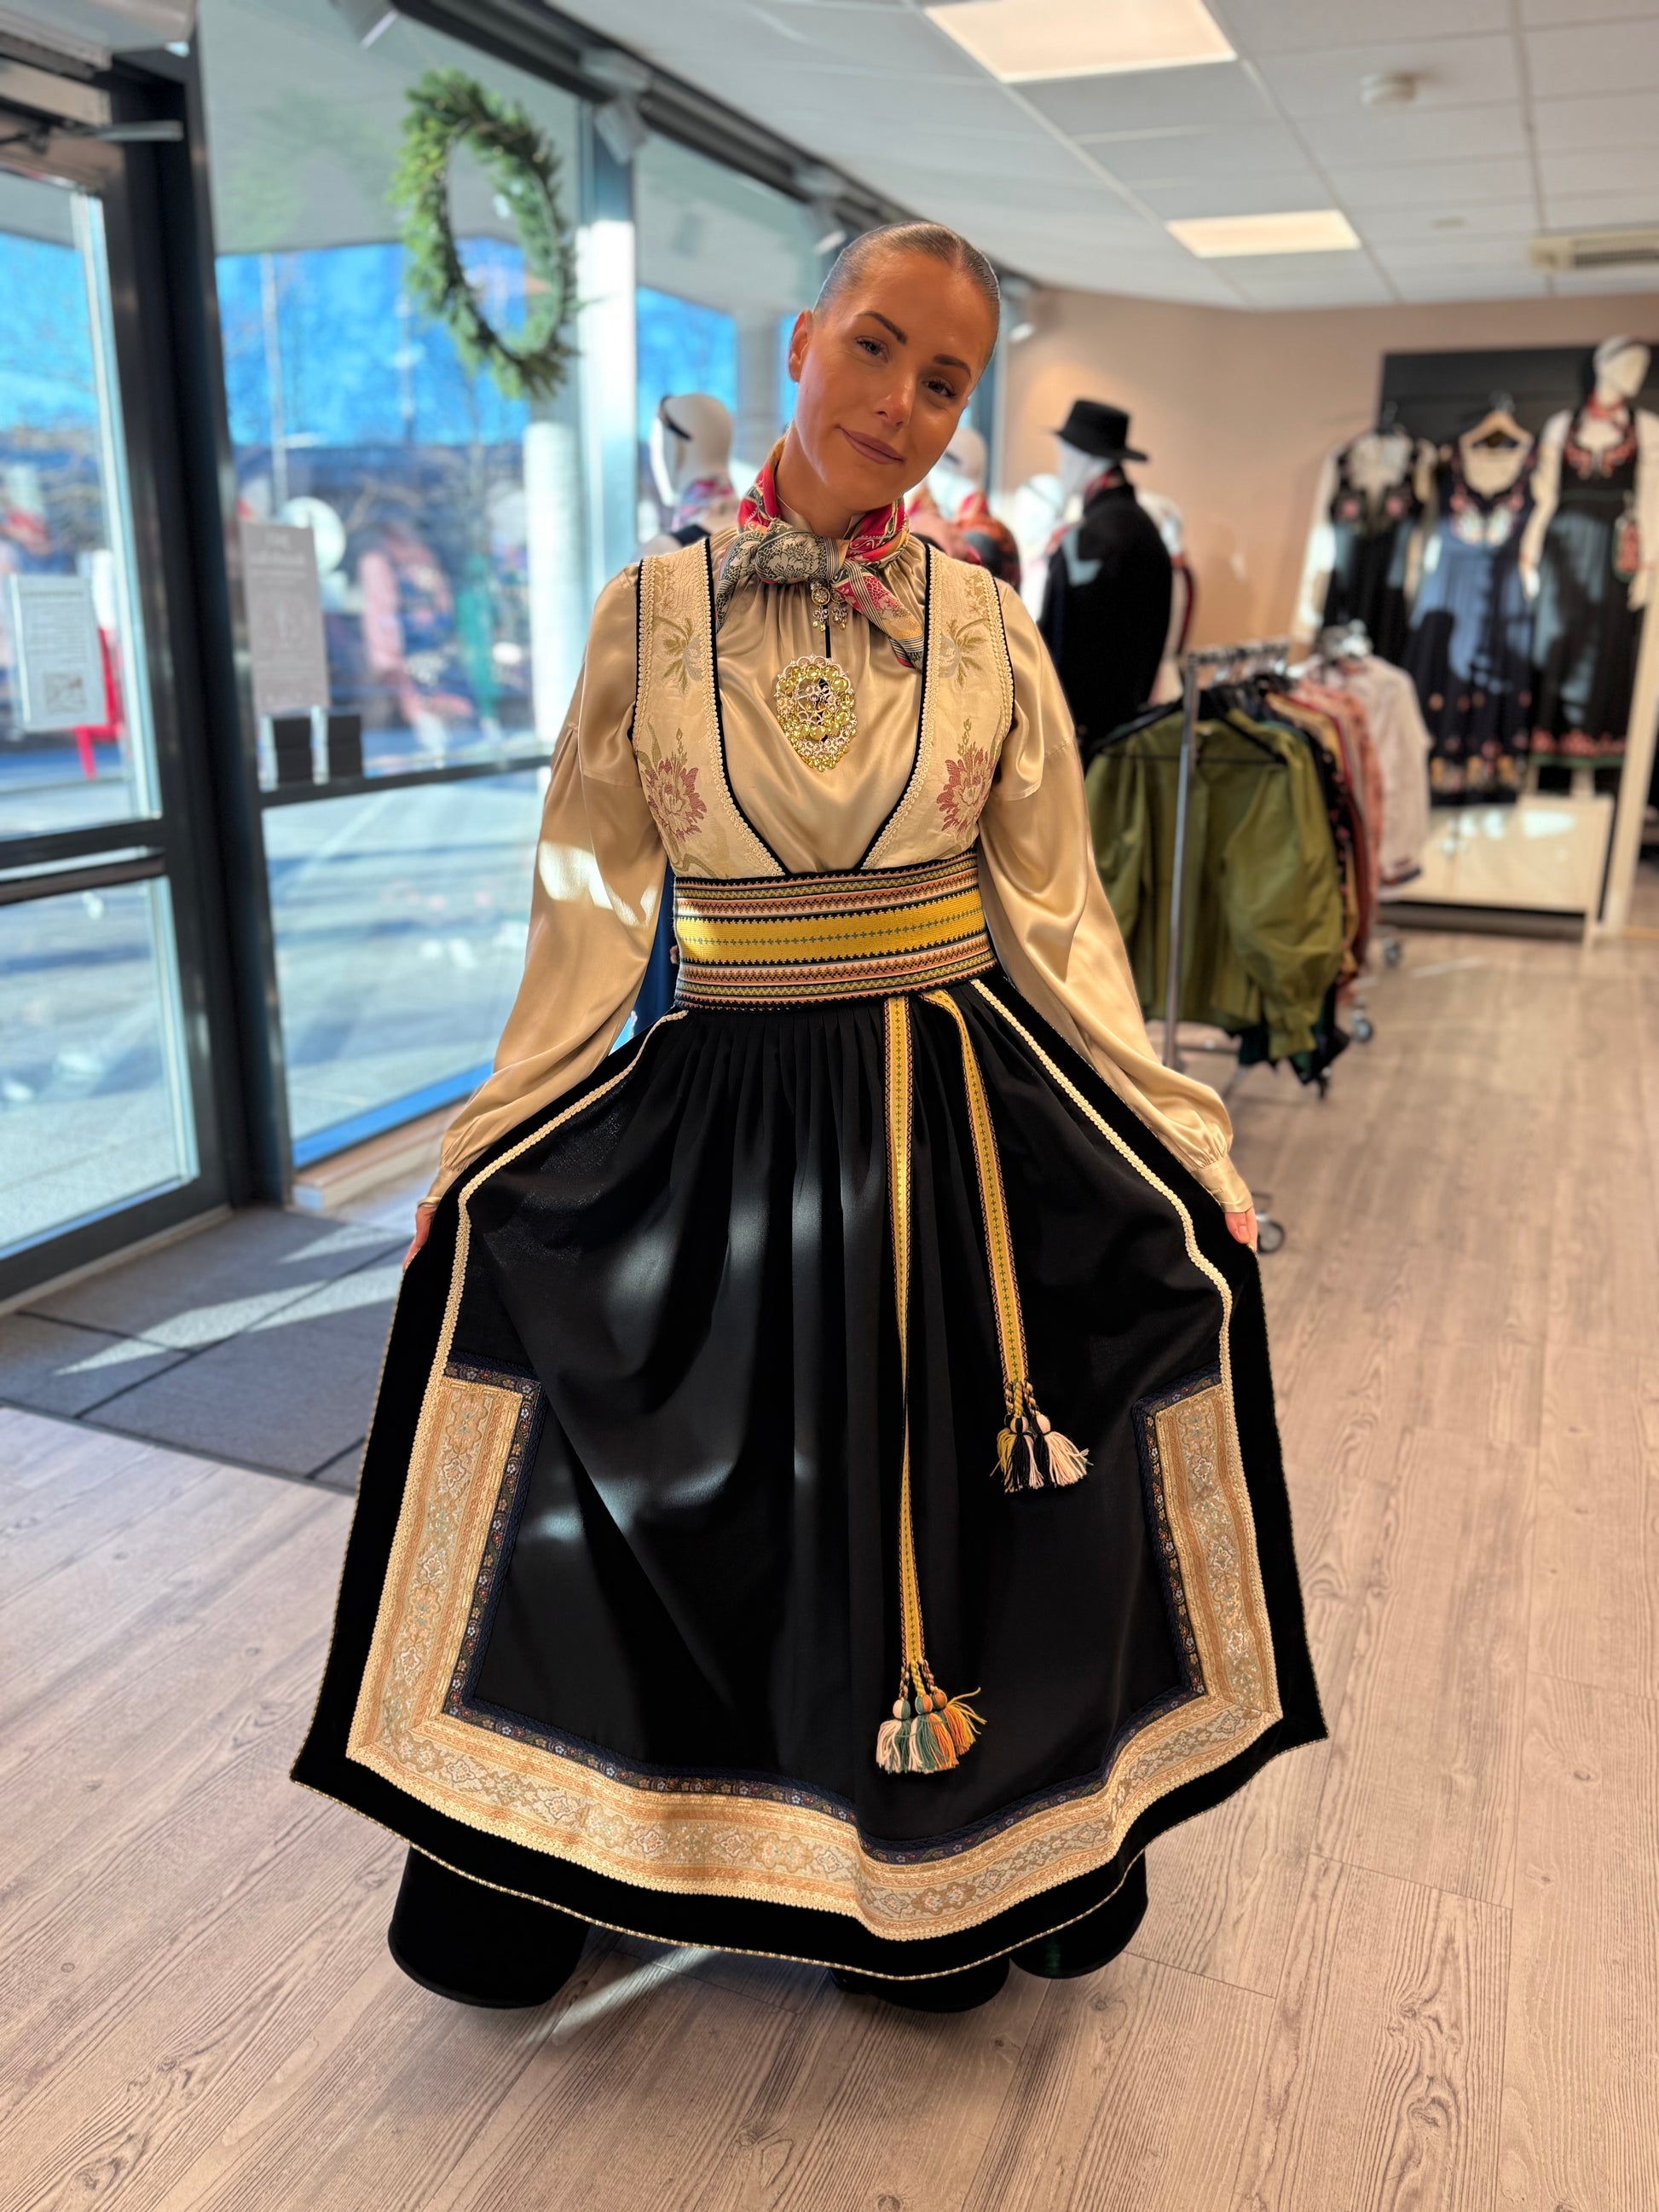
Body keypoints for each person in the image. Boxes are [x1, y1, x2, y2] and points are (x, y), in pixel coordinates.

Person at [294, 222, 1322, 2016]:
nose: (902, 401)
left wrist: (1187, 1144)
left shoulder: (990, 625)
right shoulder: (645, 616)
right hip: (718, 1116)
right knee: (698, 1484)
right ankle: (640, 1845)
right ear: (799, 341)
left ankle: (926, 1882)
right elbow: (586, 912)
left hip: (951, 1131)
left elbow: (1058, 917)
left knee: (929, 1503)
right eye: (874, 346)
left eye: (944, 378)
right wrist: (486, 1145)